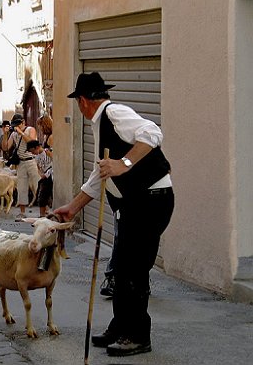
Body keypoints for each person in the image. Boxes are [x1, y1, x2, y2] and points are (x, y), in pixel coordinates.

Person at [53, 72, 174, 357]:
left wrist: (125, 162)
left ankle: (137, 335)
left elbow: (153, 133)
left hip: (151, 200)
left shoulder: (114, 112)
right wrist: (74, 206)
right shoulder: (101, 124)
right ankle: (121, 327)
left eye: (78, 102)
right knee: (121, 267)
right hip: (133, 204)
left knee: (133, 268)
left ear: (83, 102)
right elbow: (100, 173)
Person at [3, 113, 40, 222]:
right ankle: (22, 212)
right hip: (21, 162)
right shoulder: (14, 134)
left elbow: (32, 142)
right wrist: (6, 135)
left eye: (18, 124)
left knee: (37, 184)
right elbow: (6, 147)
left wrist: (21, 132)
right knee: (22, 187)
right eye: (15, 125)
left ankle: (44, 209)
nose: (17, 127)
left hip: (31, 160)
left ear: (23, 122)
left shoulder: (30, 130)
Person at [27, 140, 53, 217]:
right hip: (44, 176)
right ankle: (43, 213)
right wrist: (41, 174)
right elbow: (38, 167)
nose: (33, 153)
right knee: (40, 194)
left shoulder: (47, 153)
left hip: (51, 175)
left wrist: (47, 174)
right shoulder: (37, 156)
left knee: (44, 195)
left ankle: (45, 213)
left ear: (37, 147)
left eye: (33, 151)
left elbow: (55, 163)